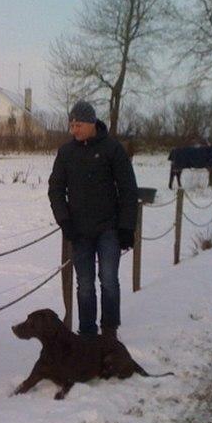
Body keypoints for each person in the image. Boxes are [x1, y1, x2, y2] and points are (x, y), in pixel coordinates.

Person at [48, 101, 138, 340]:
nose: (73, 130)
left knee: (109, 279)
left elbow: (128, 189)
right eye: (71, 125)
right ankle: (87, 333)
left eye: (78, 125)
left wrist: (128, 227)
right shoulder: (66, 153)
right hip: (79, 231)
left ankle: (109, 330)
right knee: (84, 283)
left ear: (91, 123)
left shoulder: (112, 149)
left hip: (109, 228)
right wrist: (64, 220)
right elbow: (55, 189)